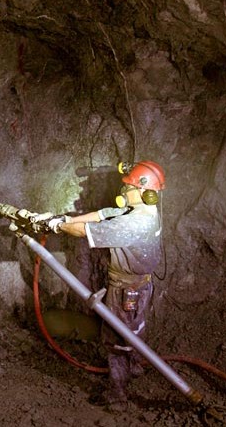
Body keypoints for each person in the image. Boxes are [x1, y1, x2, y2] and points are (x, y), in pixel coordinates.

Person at [35, 160, 165, 410]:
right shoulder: (143, 212)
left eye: (127, 187)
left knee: (117, 336)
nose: (123, 191)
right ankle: (134, 365)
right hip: (139, 285)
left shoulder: (133, 223)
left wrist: (57, 226)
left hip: (126, 289)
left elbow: (85, 231)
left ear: (143, 191)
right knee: (134, 328)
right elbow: (102, 214)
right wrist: (63, 218)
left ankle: (118, 394)